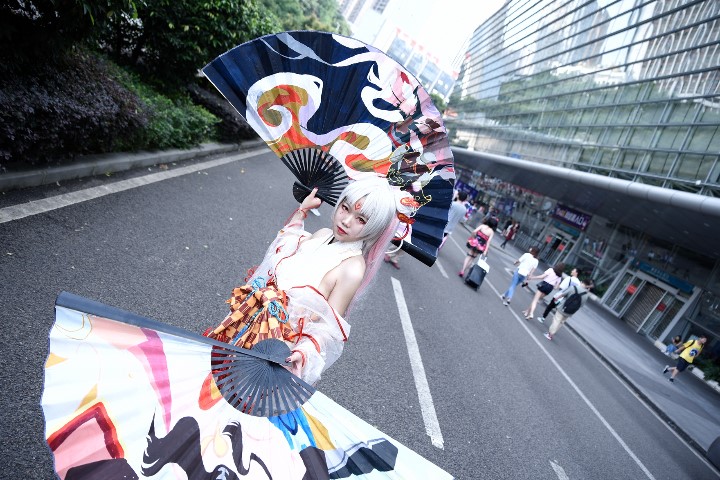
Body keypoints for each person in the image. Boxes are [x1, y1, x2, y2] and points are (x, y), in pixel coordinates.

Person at [206, 177, 413, 385]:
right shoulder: (323, 234)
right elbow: (284, 247)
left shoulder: (353, 268)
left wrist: (304, 351)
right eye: (345, 208)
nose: (346, 221)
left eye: (361, 220)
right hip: (248, 321)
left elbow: (329, 327)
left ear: (374, 228)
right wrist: (302, 211)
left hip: (279, 345)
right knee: (212, 379)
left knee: (236, 391)